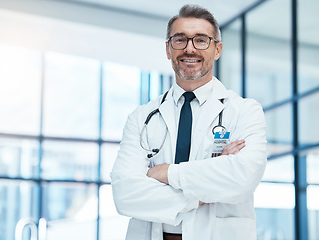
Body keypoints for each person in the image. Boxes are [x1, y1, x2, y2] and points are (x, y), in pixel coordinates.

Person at [110, 4, 267, 240]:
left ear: (217, 49)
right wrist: (202, 192)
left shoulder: (244, 111)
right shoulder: (142, 118)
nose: (190, 49)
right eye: (180, 40)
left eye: (201, 40)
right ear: (168, 49)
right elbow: (125, 194)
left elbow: (243, 177)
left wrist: (165, 173)